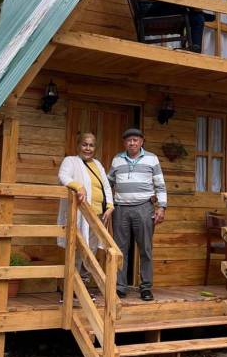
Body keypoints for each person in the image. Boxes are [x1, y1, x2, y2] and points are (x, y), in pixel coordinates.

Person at [108, 127, 167, 301]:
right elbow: (108, 182)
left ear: (141, 142)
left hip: (144, 207)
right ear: (124, 143)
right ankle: (120, 287)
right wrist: (108, 204)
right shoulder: (117, 159)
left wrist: (162, 207)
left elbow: (160, 185)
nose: (132, 143)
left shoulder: (152, 159)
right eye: (129, 140)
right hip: (120, 209)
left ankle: (146, 288)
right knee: (120, 249)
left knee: (145, 249)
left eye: (135, 140)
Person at [57, 132, 114, 288]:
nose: (88, 148)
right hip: (81, 215)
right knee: (77, 250)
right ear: (78, 145)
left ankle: (84, 287)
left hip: (98, 216)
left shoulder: (98, 164)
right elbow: (63, 176)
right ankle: (70, 290)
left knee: (91, 252)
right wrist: (78, 186)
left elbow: (105, 185)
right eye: (84, 144)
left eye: (91, 145)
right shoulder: (70, 161)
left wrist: (110, 205)